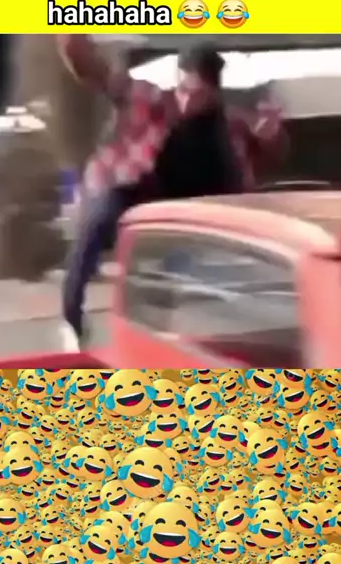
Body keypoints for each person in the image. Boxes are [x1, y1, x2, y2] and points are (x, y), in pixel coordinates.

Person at [56, 35, 287, 351]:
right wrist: (72, 43)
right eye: (183, 90)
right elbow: (99, 74)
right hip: (129, 190)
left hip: (177, 213)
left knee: (171, 266)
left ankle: (146, 335)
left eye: (198, 95)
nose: (187, 101)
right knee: (100, 213)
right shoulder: (153, 101)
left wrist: (273, 137)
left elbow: (272, 152)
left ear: (214, 94)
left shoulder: (231, 126)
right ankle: (72, 319)